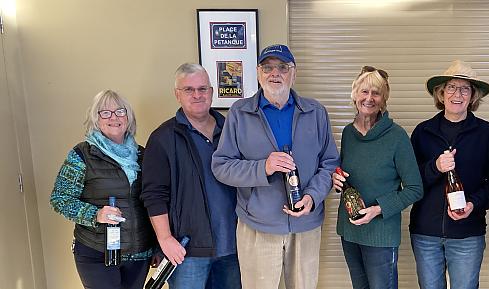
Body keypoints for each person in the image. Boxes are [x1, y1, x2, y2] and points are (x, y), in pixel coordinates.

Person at [211, 44, 339, 289]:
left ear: (294, 73)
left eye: (282, 67)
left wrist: (313, 196)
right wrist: (263, 168)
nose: (275, 73)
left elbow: (330, 163)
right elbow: (221, 166)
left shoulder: (315, 112)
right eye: (267, 67)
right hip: (257, 225)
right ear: (259, 73)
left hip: (305, 225)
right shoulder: (240, 112)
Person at [140, 63, 241, 289]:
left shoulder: (231, 130)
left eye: (203, 88)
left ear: (212, 92)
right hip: (187, 251)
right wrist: (165, 240)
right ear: (177, 95)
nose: (197, 95)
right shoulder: (163, 138)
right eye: (188, 89)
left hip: (234, 247)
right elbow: (153, 195)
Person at [409, 60, 489, 289]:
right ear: (441, 94)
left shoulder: (486, 133)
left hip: (467, 235)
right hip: (426, 235)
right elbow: (409, 183)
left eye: (465, 88)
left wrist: (473, 204)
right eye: (451, 87)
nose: (457, 94)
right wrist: (435, 167)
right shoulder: (423, 132)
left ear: (473, 96)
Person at [50, 90, 154, 289]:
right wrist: (95, 214)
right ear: (96, 120)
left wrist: (156, 246)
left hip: (140, 254)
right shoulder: (82, 154)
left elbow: (154, 203)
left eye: (120, 112)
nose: (114, 117)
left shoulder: (144, 154)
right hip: (96, 253)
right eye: (105, 113)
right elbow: (60, 198)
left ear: (129, 117)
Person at [331, 65, 423, 289]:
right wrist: (336, 181)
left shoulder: (397, 137)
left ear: (383, 99)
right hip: (350, 230)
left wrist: (378, 209)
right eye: (364, 91)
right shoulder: (348, 133)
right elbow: (347, 176)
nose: (369, 98)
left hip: (381, 234)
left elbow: (415, 188)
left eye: (376, 93)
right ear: (355, 95)